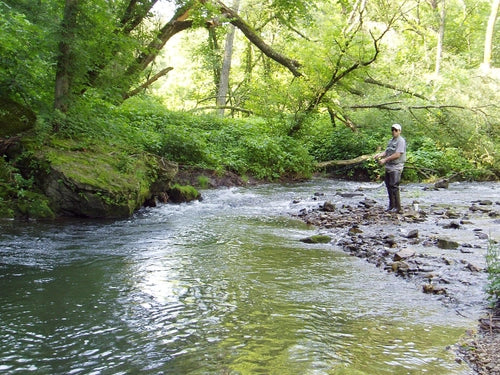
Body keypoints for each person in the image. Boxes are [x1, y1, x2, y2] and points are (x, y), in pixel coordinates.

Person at [374, 123, 406, 213]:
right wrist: (379, 155)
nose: (393, 132)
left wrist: (385, 160)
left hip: (396, 167)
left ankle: (398, 207)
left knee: (394, 186)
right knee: (388, 185)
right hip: (389, 166)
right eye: (392, 130)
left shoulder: (401, 141)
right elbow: (387, 151)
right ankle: (391, 206)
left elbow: (397, 154)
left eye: (396, 130)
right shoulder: (391, 140)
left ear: (399, 131)